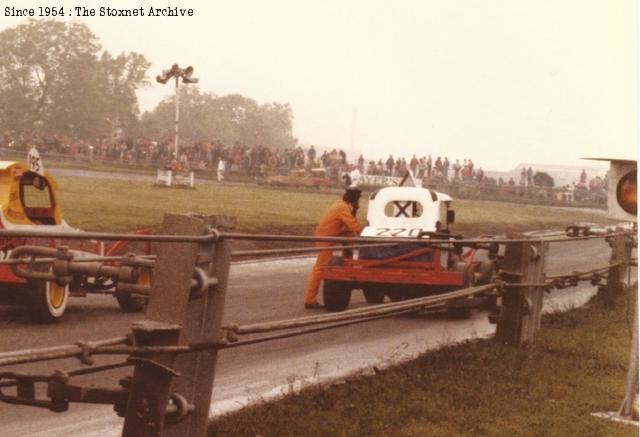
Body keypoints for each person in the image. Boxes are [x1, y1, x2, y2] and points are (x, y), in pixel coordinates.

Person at [304, 187, 365, 309]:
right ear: (354, 200)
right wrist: (367, 233)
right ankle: (309, 300)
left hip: (331, 235)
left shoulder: (342, 205)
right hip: (325, 238)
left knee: (348, 239)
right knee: (321, 268)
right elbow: (354, 226)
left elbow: (349, 228)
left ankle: (347, 269)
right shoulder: (342, 208)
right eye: (358, 200)